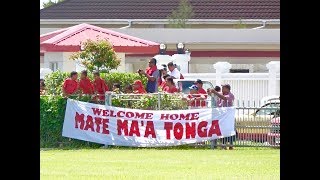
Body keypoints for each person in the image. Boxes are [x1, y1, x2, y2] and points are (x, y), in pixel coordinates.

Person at [208, 84, 235, 150]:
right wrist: (209, 92)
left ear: (227, 89)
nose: (222, 89)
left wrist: (215, 92)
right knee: (222, 130)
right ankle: (223, 145)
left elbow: (224, 98)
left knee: (229, 130)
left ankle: (230, 145)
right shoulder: (221, 93)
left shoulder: (230, 95)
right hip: (222, 116)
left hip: (228, 116)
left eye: (223, 88)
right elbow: (213, 94)